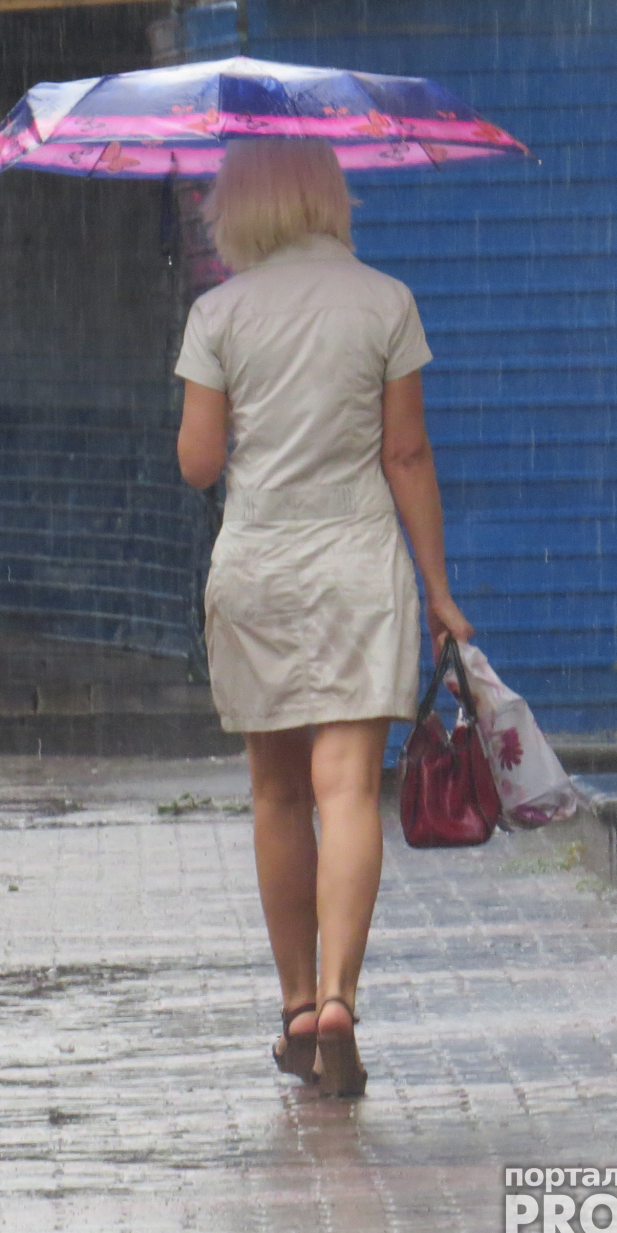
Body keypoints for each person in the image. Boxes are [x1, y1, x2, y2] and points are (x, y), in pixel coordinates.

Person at [174, 137, 472, 1098]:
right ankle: (344, 995)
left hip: (258, 567)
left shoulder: (216, 313)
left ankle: (298, 1007)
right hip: (356, 566)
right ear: (329, 193)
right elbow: (408, 457)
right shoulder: (385, 301)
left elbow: (199, 464)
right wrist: (438, 591)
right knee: (347, 789)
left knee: (276, 794)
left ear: (240, 205)